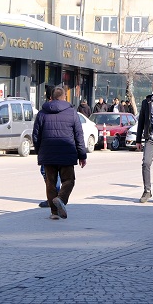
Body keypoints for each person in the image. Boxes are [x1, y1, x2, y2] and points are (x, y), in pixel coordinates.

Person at [32, 85, 88, 220]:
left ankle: (54, 213)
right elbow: (78, 135)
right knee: (69, 180)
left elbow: (35, 135)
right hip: (67, 153)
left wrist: (40, 152)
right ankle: (61, 199)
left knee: (50, 183)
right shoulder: (72, 112)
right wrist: (82, 155)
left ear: (51, 98)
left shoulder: (42, 113)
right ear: (65, 97)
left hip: (48, 154)